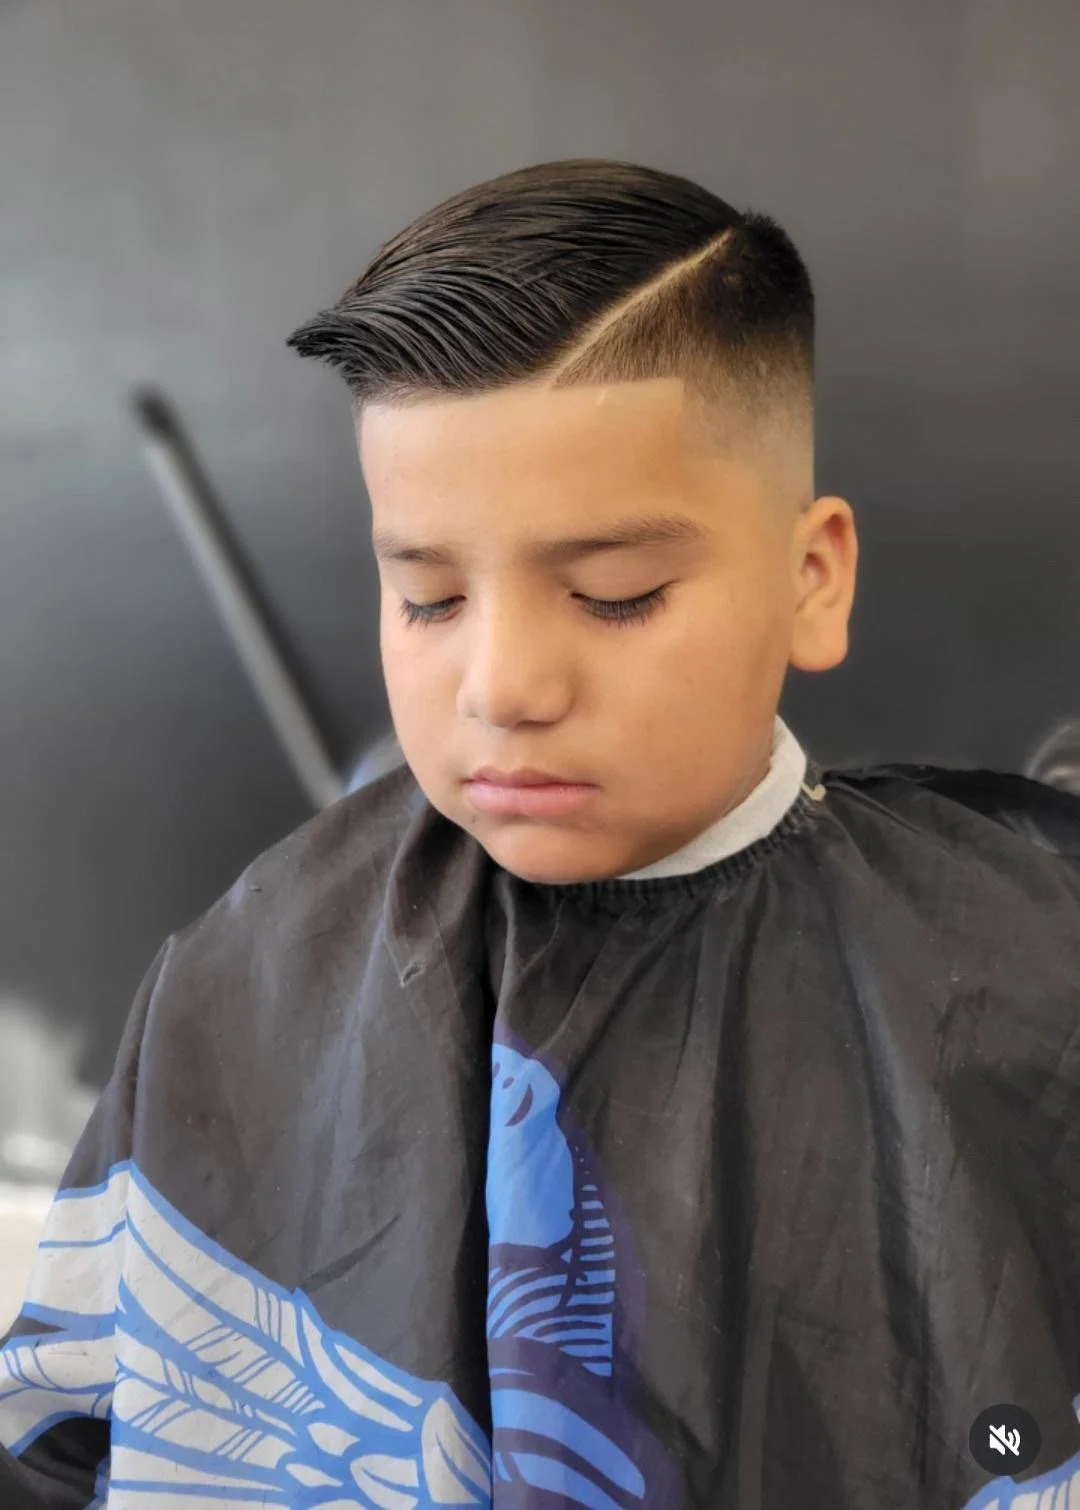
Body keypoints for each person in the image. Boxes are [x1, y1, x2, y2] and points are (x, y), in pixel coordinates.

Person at [3, 158, 1080, 1510]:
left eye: (616, 594)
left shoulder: (1032, 968)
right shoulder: (249, 973)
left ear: (814, 579)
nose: (502, 685)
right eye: (430, 598)